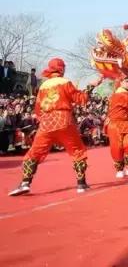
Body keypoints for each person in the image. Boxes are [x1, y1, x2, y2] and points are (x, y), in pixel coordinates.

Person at [8, 58, 93, 196]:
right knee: (77, 150)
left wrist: (45, 121)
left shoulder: (43, 86)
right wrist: (90, 86)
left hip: (46, 122)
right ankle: (81, 183)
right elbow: (81, 99)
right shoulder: (65, 82)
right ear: (61, 69)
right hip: (64, 119)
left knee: (34, 152)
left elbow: (38, 109)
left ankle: (25, 182)